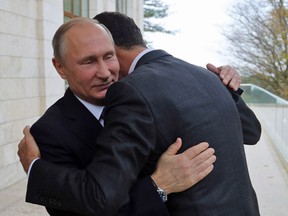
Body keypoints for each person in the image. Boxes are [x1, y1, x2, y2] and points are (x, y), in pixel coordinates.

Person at [18, 13, 261, 216]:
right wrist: (159, 186)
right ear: (60, 67)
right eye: (88, 62)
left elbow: (249, 131)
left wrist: (226, 87)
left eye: (109, 56)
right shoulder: (48, 133)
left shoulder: (144, 96)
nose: (105, 72)